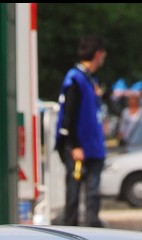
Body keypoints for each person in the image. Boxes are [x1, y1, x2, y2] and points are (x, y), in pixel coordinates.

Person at [55, 34, 107, 227]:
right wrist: (74, 144)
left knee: (93, 195)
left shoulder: (90, 79)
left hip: (93, 147)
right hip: (80, 148)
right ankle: (72, 228)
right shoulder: (75, 79)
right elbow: (69, 115)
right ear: (98, 54)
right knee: (75, 192)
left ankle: (93, 229)